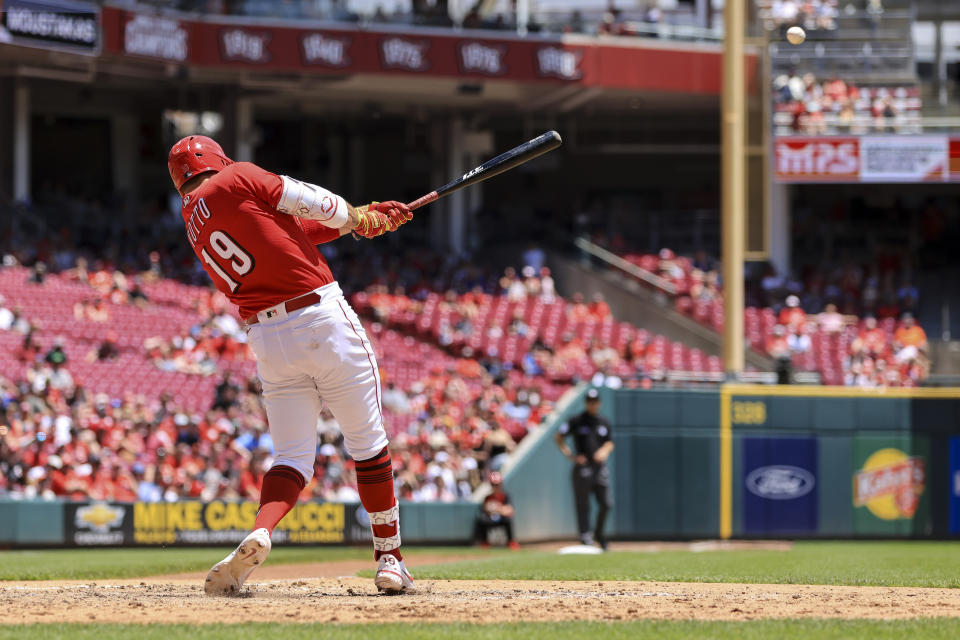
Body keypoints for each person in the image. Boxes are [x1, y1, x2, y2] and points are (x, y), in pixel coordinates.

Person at [167, 135, 414, 595]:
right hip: (321, 318)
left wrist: (360, 222)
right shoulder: (238, 175)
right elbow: (311, 201)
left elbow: (289, 231)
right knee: (368, 445)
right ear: (217, 159)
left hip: (268, 338)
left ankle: (262, 530)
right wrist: (358, 216)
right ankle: (389, 560)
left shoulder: (192, 217)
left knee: (292, 457)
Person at [554, 388, 614, 550]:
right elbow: (559, 436)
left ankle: (599, 534)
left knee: (606, 503)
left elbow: (609, 442)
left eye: (594, 402)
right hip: (583, 467)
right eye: (589, 401)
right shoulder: (577, 420)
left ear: (599, 403)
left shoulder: (604, 421)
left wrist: (604, 451)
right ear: (586, 403)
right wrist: (570, 455)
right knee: (583, 504)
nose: (592, 404)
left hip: (600, 468)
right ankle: (585, 536)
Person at [474, 471, 519, 549]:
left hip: (501, 519)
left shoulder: (505, 496)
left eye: (497, 485)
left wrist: (497, 508)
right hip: (491, 519)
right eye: (493, 485)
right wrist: (497, 509)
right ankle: (485, 542)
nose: (495, 487)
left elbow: (509, 511)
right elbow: (486, 509)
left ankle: (511, 542)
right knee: (481, 520)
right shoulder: (488, 497)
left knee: (507, 520)